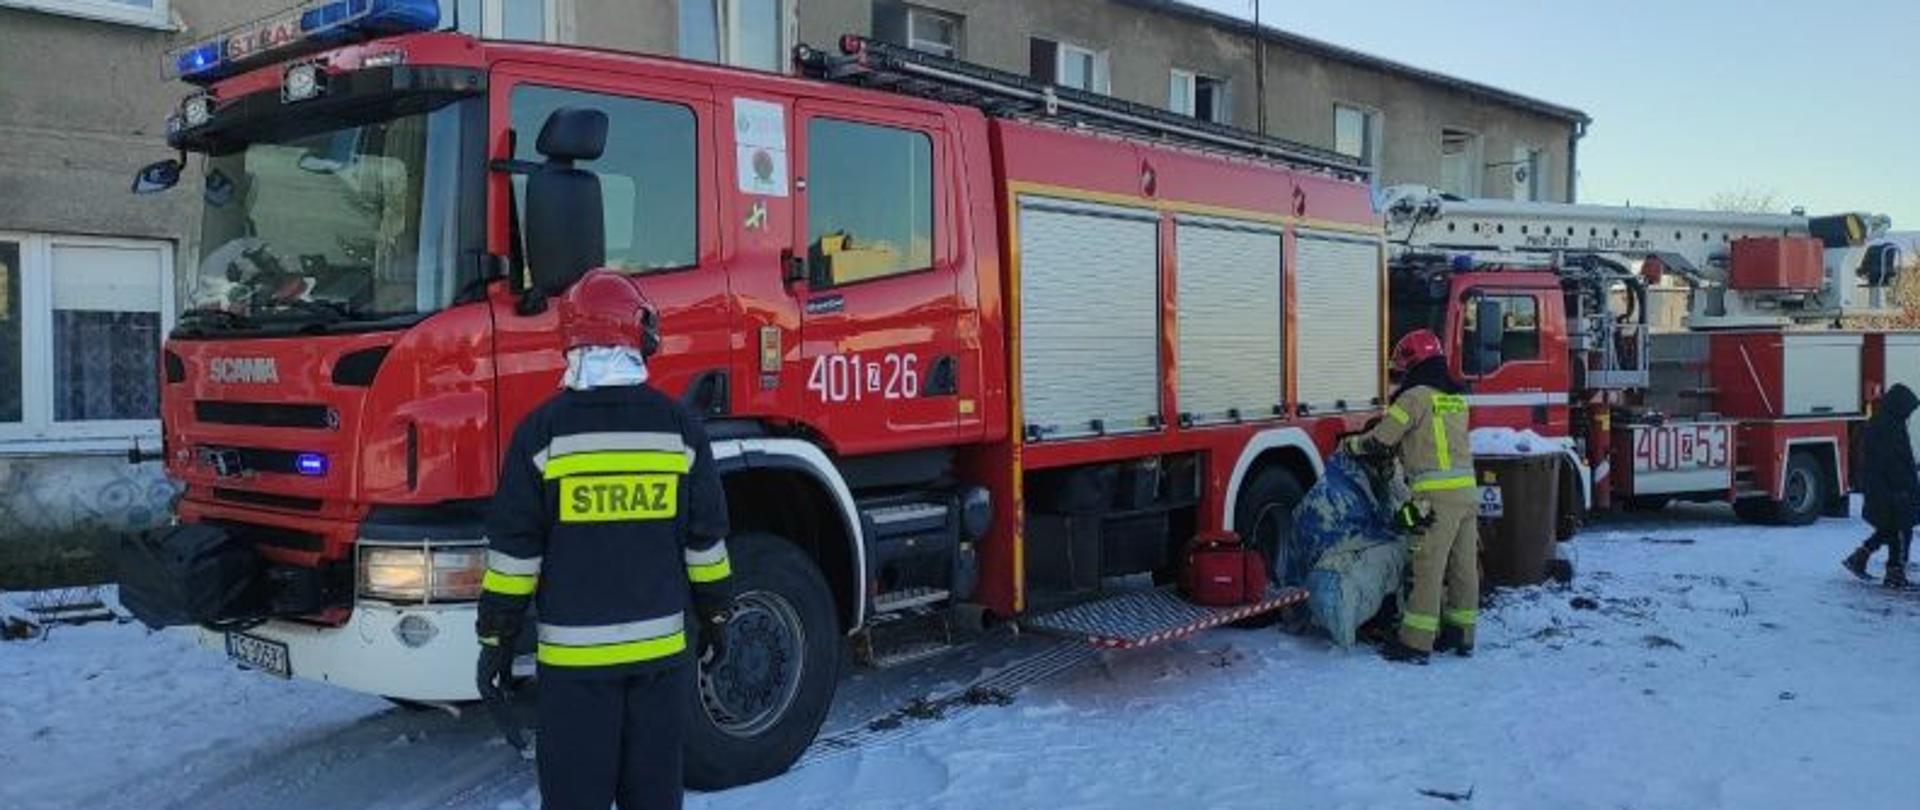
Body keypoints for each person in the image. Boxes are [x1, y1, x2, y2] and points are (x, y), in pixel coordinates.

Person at [476, 269, 735, 810]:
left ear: (570, 340)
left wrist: (496, 639)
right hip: (660, 665)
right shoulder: (679, 429)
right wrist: (716, 618)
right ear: (638, 334)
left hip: (575, 672)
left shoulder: (541, 434)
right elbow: (705, 544)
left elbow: (515, 553)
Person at [1345, 329, 1478, 664]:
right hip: (1466, 493)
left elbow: (1382, 440)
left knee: (1427, 567)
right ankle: (1461, 634)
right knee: (1463, 568)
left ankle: (1416, 643)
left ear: (1412, 364)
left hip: (1434, 497)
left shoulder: (1414, 397)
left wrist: (1352, 445)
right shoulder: (1454, 398)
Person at [1843, 383, 1918, 589]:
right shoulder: (1890, 427)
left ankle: (1860, 557)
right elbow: (1894, 462)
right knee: (1901, 529)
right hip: (1892, 489)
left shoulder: (1885, 422)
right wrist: (1903, 489)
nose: (1909, 415)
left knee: (1891, 527)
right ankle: (1895, 572)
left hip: (1884, 489)